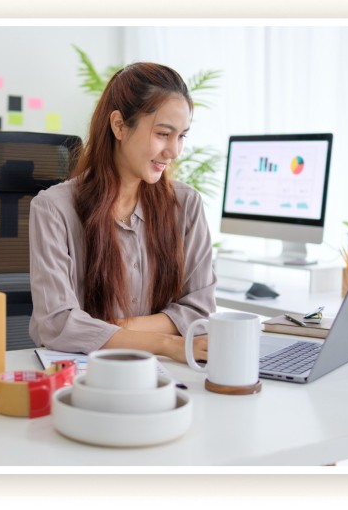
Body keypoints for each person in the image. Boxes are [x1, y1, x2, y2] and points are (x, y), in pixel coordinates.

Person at [28, 62, 216, 364]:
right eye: (163, 134)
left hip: (165, 374)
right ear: (118, 125)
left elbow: (199, 308)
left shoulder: (186, 204)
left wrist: (107, 330)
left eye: (181, 136)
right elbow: (58, 324)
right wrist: (165, 344)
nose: (174, 151)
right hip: (81, 374)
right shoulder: (53, 208)